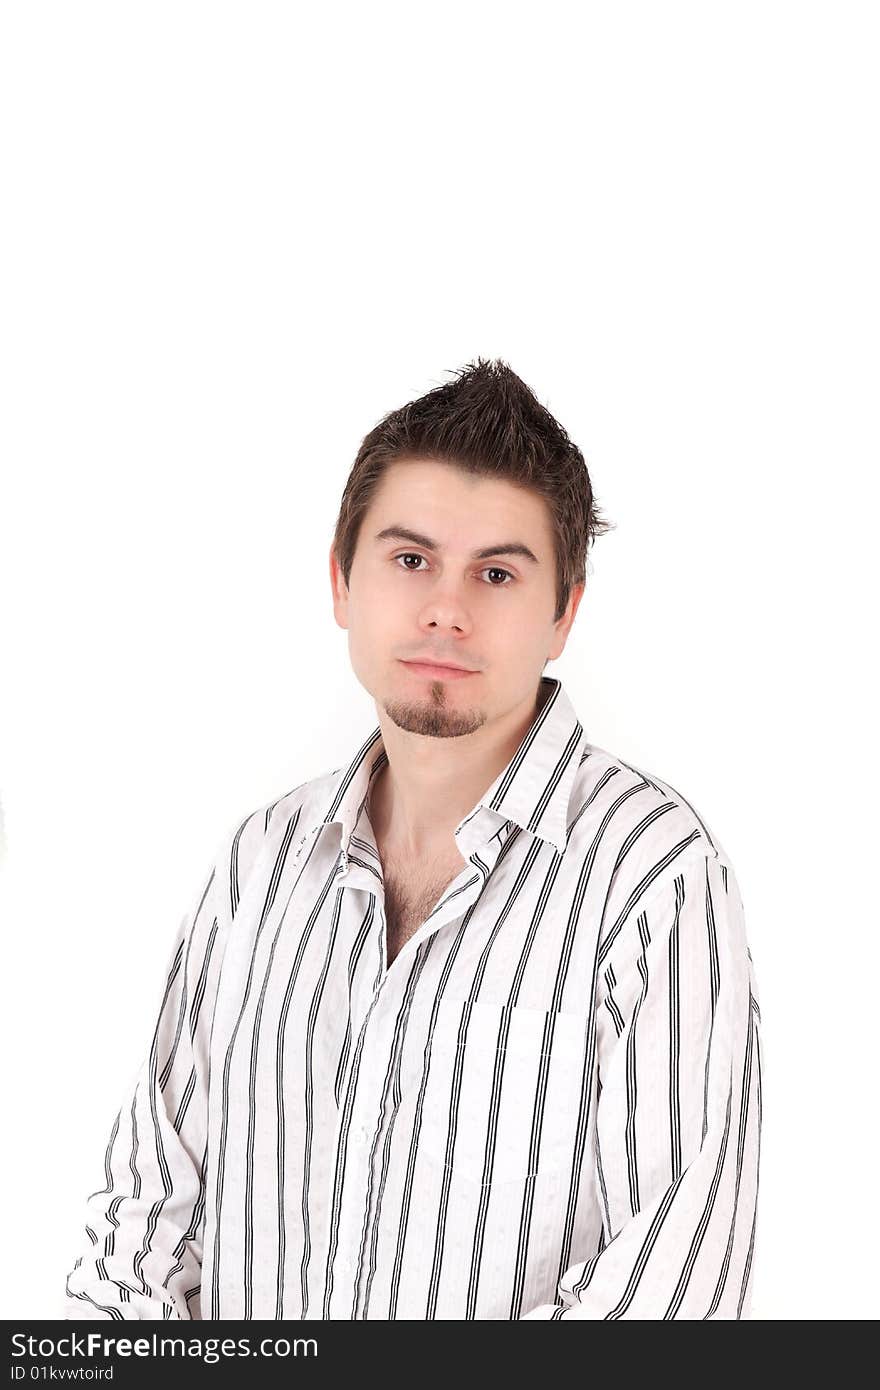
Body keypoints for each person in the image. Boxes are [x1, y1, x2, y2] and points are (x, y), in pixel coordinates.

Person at [63, 358, 762, 1320]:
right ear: (342, 582)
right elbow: (137, 1241)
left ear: (564, 614)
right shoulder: (260, 864)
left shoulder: (653, 875)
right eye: (409, 559)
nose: (446, 607)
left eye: (498, 573)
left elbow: (668, 1303)